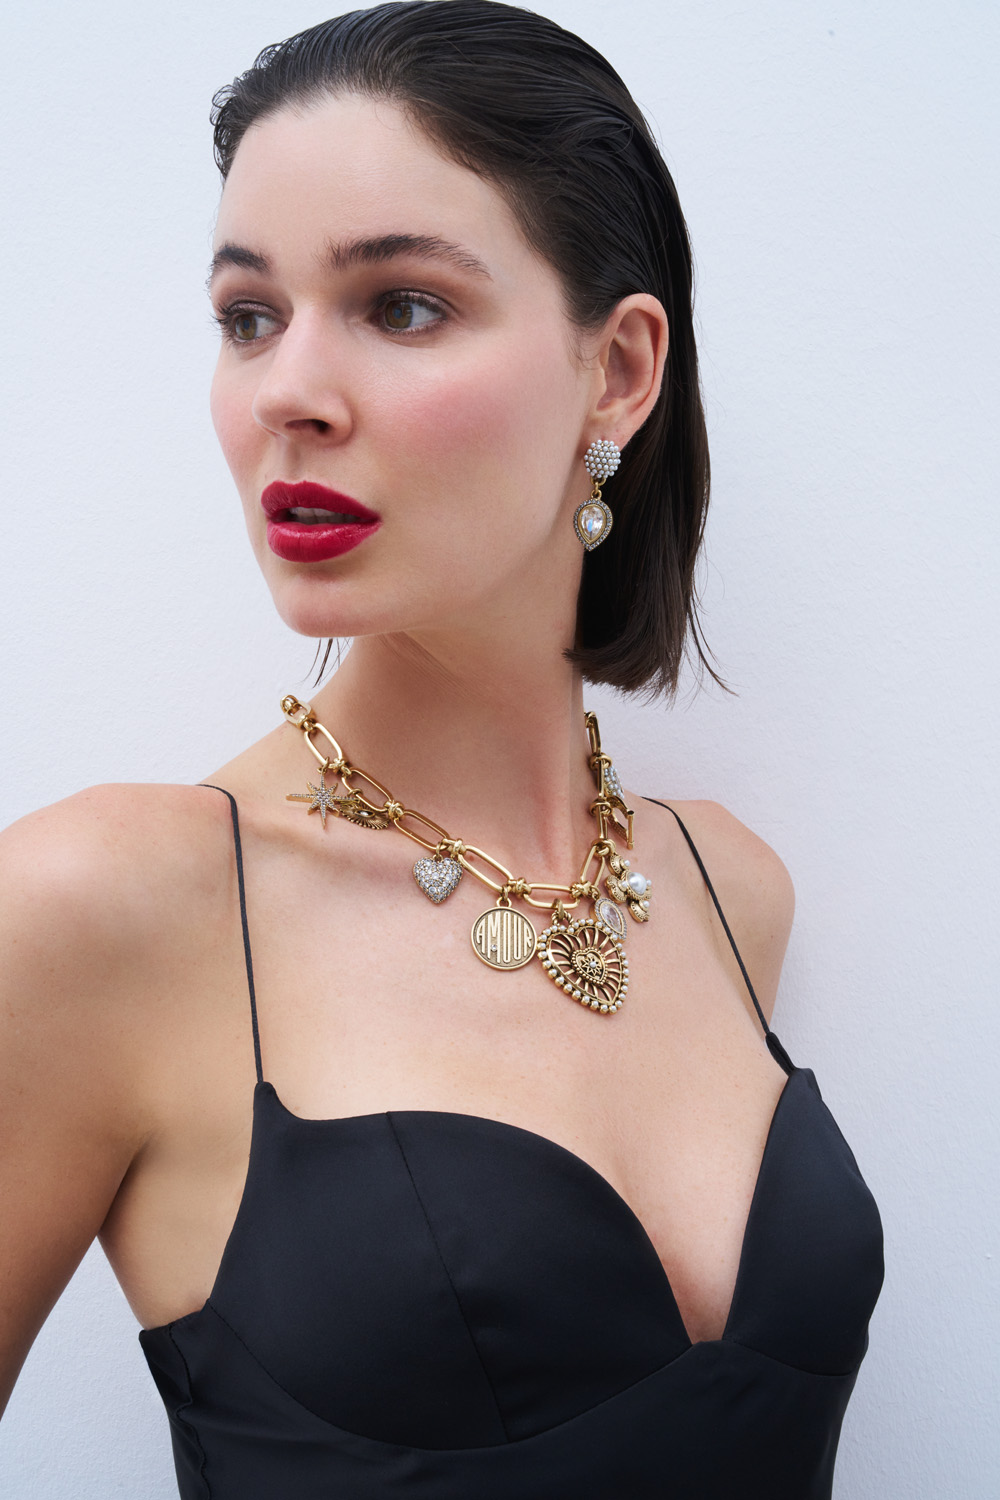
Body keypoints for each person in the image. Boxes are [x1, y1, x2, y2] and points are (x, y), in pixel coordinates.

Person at [0, 2, 883, 1494]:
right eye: (248, 316)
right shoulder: (106, 907)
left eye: (402, 306)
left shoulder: (732, 892)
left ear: (619, 373)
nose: (288, 393)